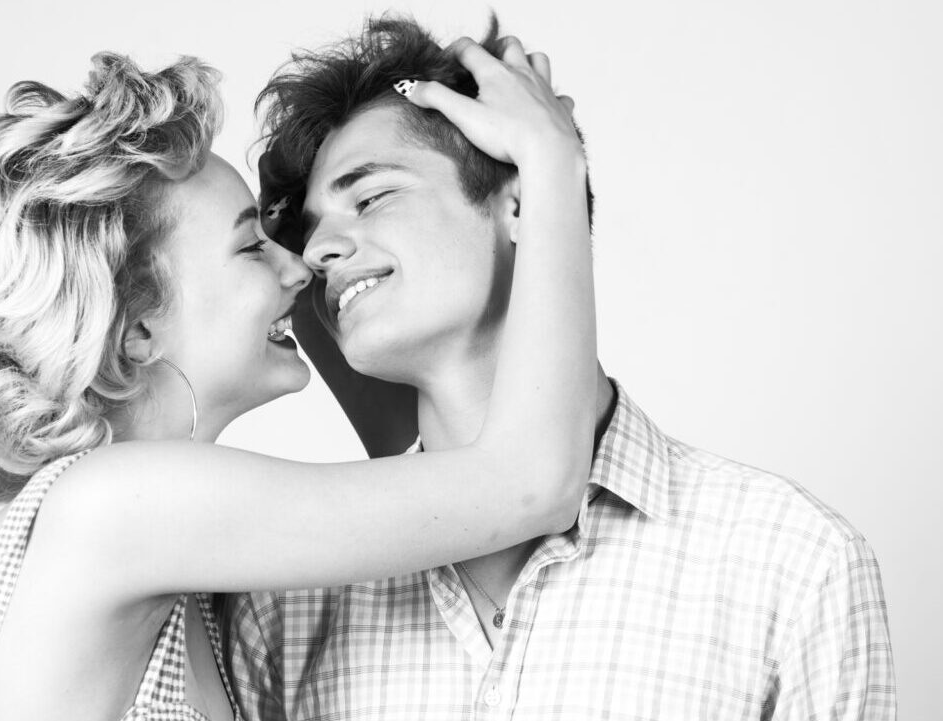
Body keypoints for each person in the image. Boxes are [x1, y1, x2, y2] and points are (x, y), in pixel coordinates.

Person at [227, 15, 897, 720]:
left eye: (370, 197)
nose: (322, 249)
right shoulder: (287, 607)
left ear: (521, 201)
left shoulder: (791, 562)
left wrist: (554, 163)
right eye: (311, 228)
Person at [0, 46, 595, 721]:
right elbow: (531, 484)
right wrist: (548, 164)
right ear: (138, 330)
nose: (302, 271)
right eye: (251, 247)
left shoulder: (50, 542)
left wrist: (376, 305)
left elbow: (409, 467)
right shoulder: (127, 506)